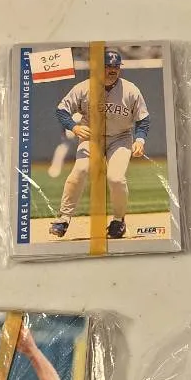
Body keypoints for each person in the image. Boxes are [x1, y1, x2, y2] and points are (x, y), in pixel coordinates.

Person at [48, 48, 149, 240]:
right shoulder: (84, 87)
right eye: (108, 66)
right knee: (80, 170)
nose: (113, 70)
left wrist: (140, 139)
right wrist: (74, 127)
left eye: (116, 66)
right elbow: (62, 110)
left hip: (120, 138)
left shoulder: (130, 90)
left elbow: (143, 119)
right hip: (91, 138)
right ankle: (63, 219)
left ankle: (118, 221)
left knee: (116, 178)